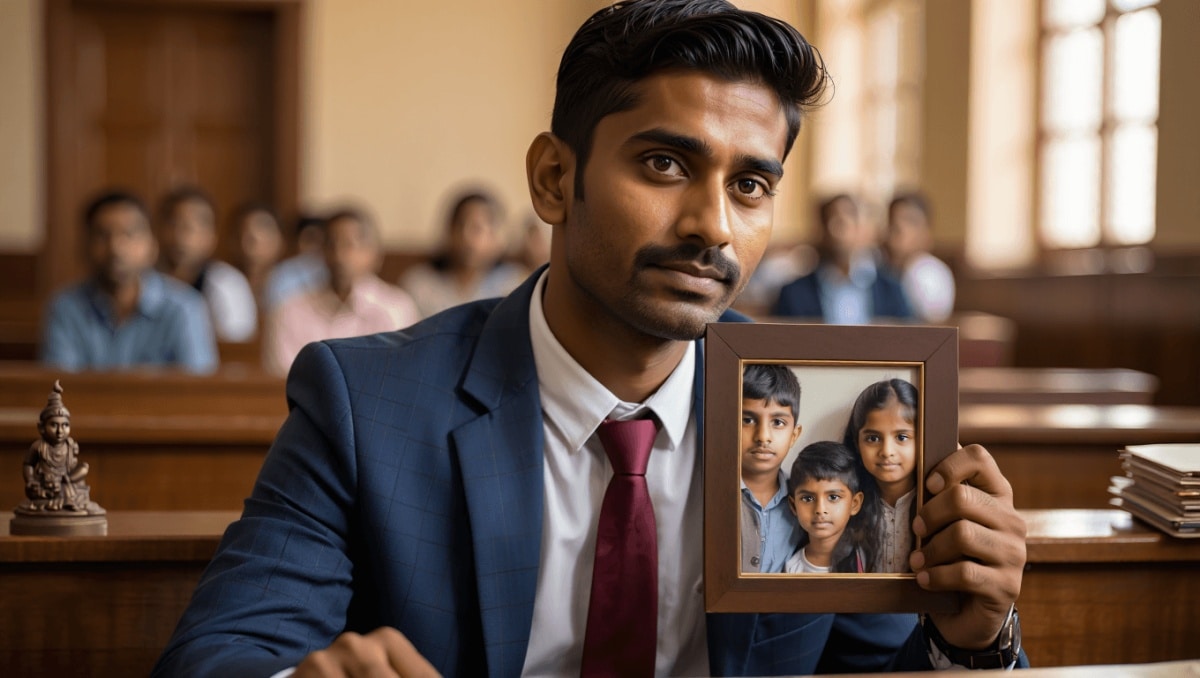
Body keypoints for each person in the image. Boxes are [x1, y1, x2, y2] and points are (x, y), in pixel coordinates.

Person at [154, 2, 1027, 676]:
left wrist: (973, 634)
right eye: (665, 164)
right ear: (553, 177)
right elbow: (224, 651)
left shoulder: (819, 407)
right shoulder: (364, 403)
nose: (712, 226)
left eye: (752, 184)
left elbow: (871, 667)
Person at [41, 190, 218, 373]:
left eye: (129, 234)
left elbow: (197, 389)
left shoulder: (185, 307)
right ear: (84, 245)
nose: (116, 248)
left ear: (152, 245)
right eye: (102, 235)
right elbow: (60, 386)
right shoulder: (66, 307)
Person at [262, 207, 419, 377]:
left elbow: (399, 376)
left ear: (376, 254)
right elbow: (284, 380)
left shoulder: (396, 308)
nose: (339, 255)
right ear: (320, 252)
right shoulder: (290, 310)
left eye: (351, 245)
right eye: (331, 244)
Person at [772, 194, 913, 323]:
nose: (837, 230)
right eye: (831, 221)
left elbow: (906, 340)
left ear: (861, 228)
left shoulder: (892, 290)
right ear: (820, 231)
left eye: (845, 221)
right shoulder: (794, 294)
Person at [399, 189, 526, 318]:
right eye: (460, 226)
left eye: (477, 229)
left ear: (495, 237)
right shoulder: (419, 284)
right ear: (449, 231)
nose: (466, 237)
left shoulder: (513, 285)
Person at [158, 186, 259, 342]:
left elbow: (236, 348)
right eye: (173, 225)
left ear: (211, 238)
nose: (180, 237)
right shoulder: (142, 280)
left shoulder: (228, 283)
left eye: (190, 228)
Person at [844, 378, 920, 574]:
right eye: (873, 438)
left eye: (902, 437)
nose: (887, 451)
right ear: (857, 442)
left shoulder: (935, 503)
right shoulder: (846, 505)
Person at [739, 364, 803, 573]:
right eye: (748, 420)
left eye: (777, 422)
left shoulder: (804, 499)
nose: (763, 436)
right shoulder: (710, 494)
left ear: (794, 434)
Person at [784, 441, 867, 574]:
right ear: (794, 506)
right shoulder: (792, 568)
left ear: (854, 504)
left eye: (833, 497)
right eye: (808, 499)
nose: (820, 509)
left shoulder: (866, 558)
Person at [884, 192, 956, 323]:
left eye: (909, 221)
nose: (899, 227)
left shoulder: (930, 273)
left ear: (926, 232)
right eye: (893, 220)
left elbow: (933, 326)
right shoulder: (877, 270)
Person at [262, 212, 328, 312]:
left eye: (319, 240)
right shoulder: (282, 273)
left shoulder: (331, 270)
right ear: (297, 241)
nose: (315, 246)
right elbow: (274, 308)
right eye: (309, 239)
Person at [232, 201, 286, 308]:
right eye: (243, 232)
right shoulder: (221, 284)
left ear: (281, 240)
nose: (250, 240)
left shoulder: (294, 289)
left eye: (263, 228)